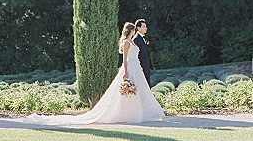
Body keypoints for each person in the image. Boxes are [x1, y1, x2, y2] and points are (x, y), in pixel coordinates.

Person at [23, 22, 164, 125]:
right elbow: (125, 59)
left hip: (137, 67)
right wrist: (126, 72)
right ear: (131, 31)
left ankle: (139, 112)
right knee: (129, 90)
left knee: (140, 90)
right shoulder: (127, 43)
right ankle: (129, 113)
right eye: (133, 29)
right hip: (130, 67)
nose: (134, 31)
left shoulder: (132, 42)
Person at [133, 19, 153, 87]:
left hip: (146, 65)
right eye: (144, 26)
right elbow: (136, 54)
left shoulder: (142, 38)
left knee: (147, 83)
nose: (146, 28)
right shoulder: (136, 39)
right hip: (141, 66)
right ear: (138, 28)